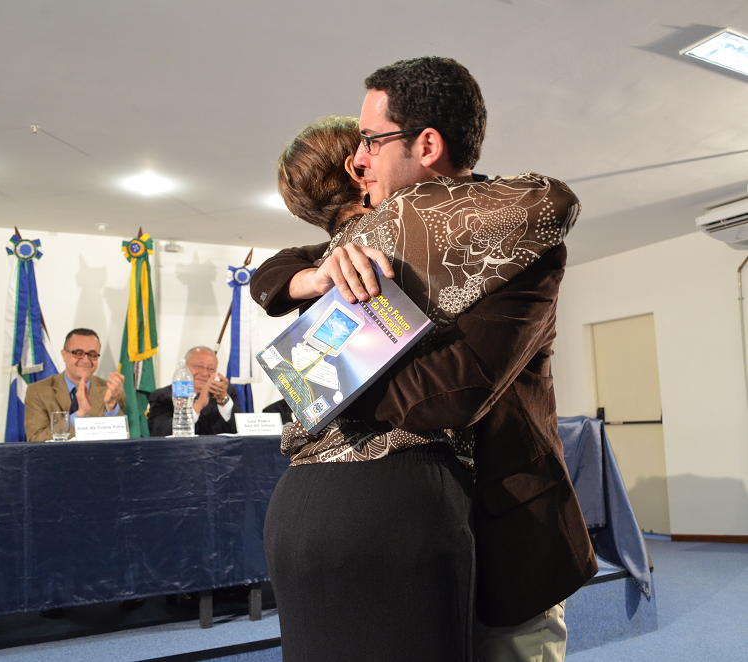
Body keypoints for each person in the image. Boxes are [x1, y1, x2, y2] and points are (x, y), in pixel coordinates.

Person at [252, 57, 597, 662]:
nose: (359, 160)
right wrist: (315, 277)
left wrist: (320, 381)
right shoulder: (372, 239)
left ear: (428, 145)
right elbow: (274, 270)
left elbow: (452, 394)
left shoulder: (516, 242)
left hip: (504, 528)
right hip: (418, 527)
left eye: (370, 141)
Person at [24, 328, 125, 442]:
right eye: (78, 353)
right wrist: (79, 415)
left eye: (92, 354)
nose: (86, 360)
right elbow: (36, 439)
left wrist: (111, 407)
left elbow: (125, 442)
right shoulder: (38, 391)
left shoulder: (110, 390)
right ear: (64, 355)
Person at [147, 346, 241, 436]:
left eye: (210, 369)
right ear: (184, 367)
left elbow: (241, 429)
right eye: (198, 366)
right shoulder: (162, 396)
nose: (204, 373)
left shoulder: (226, 393)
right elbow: (159, 433)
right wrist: (199, 404)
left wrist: (223, 400)